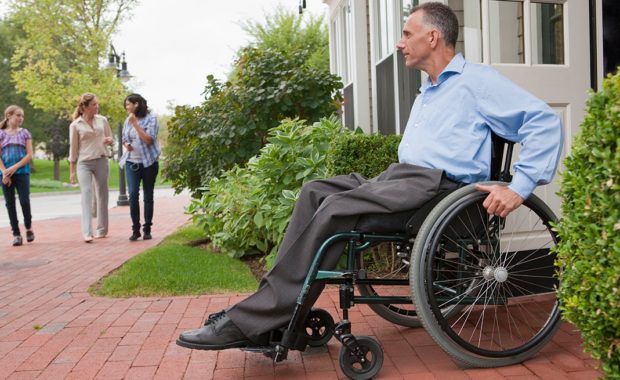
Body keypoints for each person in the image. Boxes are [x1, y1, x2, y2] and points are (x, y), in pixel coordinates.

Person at [177, 2, 564, 350]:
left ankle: (254, 320)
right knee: (315, 191)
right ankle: (280, 318)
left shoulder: (477, 82)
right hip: (402, 179)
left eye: (407, 34)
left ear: (433, 36)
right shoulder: (430, 88)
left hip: (437, 189)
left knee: (336, 208)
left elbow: (544, 122)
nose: (400, 43)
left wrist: (519, 186)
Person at [68, 93, 113, 242]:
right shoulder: (75, 125)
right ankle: (87, 232)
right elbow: (73, 150)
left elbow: (110, 138)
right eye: (94, 104)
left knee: (102, 195)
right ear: (85, 107)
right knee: (86, 194)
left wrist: (109, 140)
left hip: (101, 160)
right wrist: (72, 172)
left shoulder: (103, 120)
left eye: (97, 104)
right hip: (84, 163)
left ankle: (102, 229)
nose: (97, 106)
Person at [118, 94, 161, 241]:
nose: (127, 108)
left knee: (148, 196)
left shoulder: (152, 118)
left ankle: (147, 229)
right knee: (133, 194)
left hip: (149, 163)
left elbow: (149, 140)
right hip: (132, 162)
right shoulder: (128, 119)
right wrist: (127, 145)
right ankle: (135, 229)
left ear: (136, 104)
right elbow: (124, 137)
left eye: (128, 105)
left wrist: (135, 124)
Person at [0, 105, 34, 246]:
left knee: (24, 201)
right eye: (18, 115)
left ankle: (28, 227)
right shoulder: (1, 134)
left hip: (22, 173)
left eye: (22, 116)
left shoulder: (25, 133)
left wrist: (13, 168)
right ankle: (16, 234)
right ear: (9, 116)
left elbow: (29, 155)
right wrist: (4, 172)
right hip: (5, 175)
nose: (21, 118)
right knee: (10, 203)